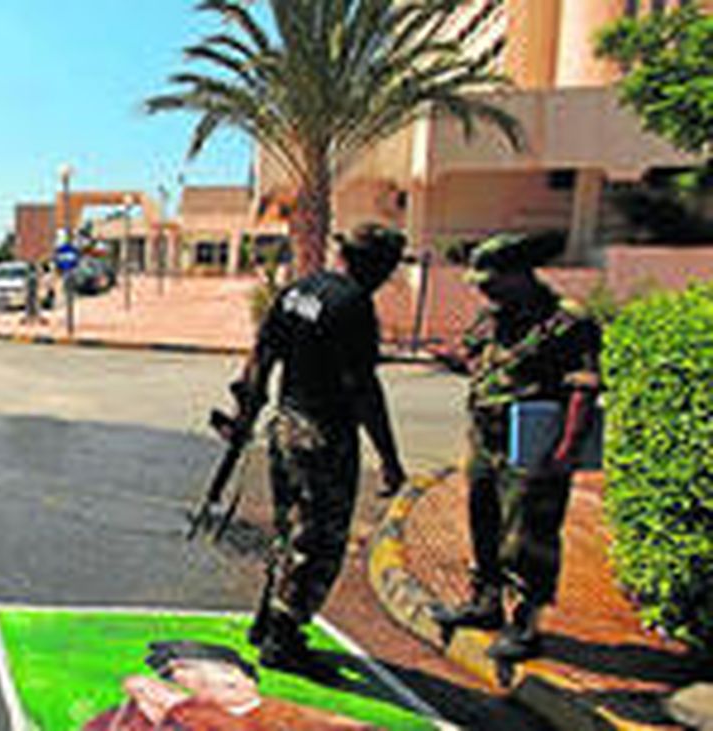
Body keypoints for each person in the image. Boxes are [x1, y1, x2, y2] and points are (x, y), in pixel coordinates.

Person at [230, 225, 409, 671]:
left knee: (289, 529)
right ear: (380, 266)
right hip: (324, 434)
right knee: (318, 537)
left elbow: (261, 353)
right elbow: (363, 389)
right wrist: (388, 458)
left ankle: (267, 619)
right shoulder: (353, 306)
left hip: (285, 425)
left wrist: (247, 414)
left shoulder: (297, 291)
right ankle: (283, 639)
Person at [428, 233, 601, 662]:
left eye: (492, 279)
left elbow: (582, 389)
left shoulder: (566, 321)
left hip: (533, 445)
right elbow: (472, 354)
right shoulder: (494, 316)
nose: (483, 288)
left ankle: (526, 621)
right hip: (485, 440)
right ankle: (485, 603)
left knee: (528, 536)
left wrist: (566, 450)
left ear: (521, 274)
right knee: (484, 521)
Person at [81, 640, 374, 730]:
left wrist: (178, 709)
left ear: (249, 678)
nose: (211, 678)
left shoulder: (293, 716)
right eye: (188, 672)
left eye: (224, 670)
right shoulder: (147, 715)